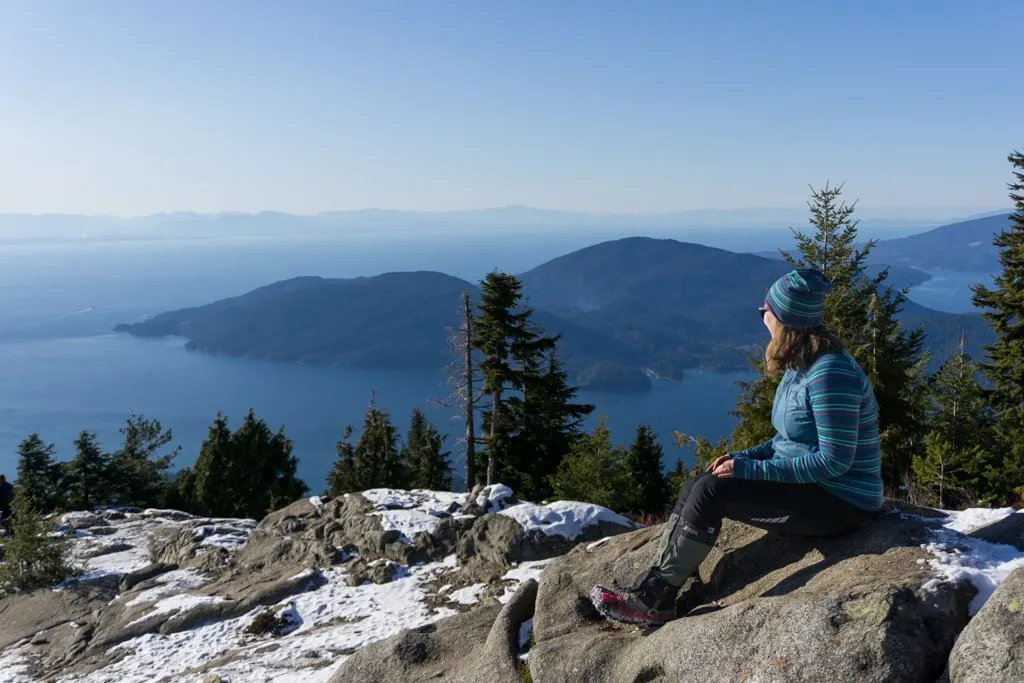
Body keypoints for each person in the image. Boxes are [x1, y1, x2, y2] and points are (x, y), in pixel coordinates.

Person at [591, 268, 883, 627]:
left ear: (784, 318)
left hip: (842, 501)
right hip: (813, 487)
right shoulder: (801, 365)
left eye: (766, 309)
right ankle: (660, 586)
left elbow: (835, 461)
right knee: (698, 484)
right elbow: (786, 441)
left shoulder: (829, 373)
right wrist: (745, 457)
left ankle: (652, 602)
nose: (761, 314)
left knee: (713, 492)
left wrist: (751, 470)